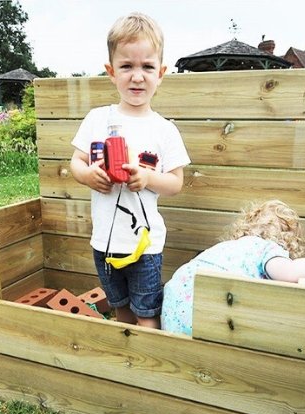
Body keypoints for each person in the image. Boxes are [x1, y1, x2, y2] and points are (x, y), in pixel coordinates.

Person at [70, 12, 190, 329]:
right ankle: (126, 363)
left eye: (147, 67)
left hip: (145, 246)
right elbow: (75, 163)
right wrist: (87, 176)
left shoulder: (164, 130)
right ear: (111, 71)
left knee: (147, 313)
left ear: (161, 73)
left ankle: (146, 367)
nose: (137, 76)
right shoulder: (97, 119)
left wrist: (148, 178)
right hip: (105, 245)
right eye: (127, 66)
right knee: (120, 308)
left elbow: (176, 182)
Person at [161, 200, 305, 336]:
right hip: (204, 313)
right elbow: (290, 274)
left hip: (173, 307)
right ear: (288, 239)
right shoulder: (266, 248)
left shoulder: (228, 247)